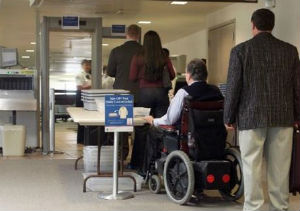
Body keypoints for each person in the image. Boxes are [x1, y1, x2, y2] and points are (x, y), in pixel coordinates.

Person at [224, 9, 300, 211]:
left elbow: (233, 87)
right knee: (280, 169)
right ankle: (279, 206)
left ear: (252, 25)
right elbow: (297, 87)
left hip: (251, 116)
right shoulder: (290, 51)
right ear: (272, 25)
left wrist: (228, 116)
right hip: (283, 117)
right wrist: (297, 116)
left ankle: (254, 207)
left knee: (251, 166)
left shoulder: (240, 51)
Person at [143, 58, 224, 173]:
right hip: (215, 139)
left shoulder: (184, 93)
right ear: (205, 75)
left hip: (189, 140)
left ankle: (148, 171)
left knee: (153, 131)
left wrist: (153, 121)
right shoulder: (216, 91)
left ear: (189, 75)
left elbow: (170, 119)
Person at [129, 30, 176, 117]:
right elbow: (172, 75)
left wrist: (142, 76)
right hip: (161, 92)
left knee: (143, 123)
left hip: (144, 93)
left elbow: (132, 77)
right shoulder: (164, 56)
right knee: (161, 124)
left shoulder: (138, 56)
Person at [107, 24, 142, 104]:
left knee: (121, 114)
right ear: (138, 35)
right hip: (140, 92)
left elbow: (110, 72)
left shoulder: (116, 51)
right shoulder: (145, 51)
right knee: (140, 116)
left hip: (120, 91)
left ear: (126, 34)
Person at [75, 59, 92, 144]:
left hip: (89, 97)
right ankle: (80, 139)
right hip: (81, 96)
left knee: (89, 118)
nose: (88, 67)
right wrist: (91, 86)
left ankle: (87, 138)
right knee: (81, 118)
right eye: (86, 65)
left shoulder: (91, 75)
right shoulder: (80, 75)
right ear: (82, 66)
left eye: (89, 65)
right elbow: (79, 87)